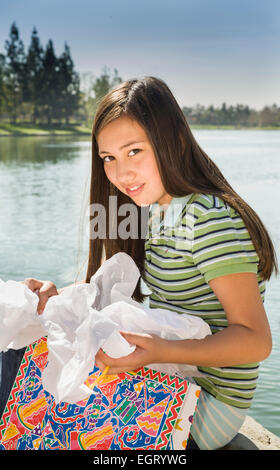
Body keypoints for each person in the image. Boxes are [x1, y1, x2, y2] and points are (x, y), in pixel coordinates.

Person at [22, 77, 277, 450]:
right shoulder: (157, 211)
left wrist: (160, 351)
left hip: (205, 405)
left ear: (173, 138)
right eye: (108, 158)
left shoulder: (208, 218)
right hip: (171, 375)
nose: (121, 174)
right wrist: (57, 302)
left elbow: (256, 341)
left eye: (134, 151)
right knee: (26, 338)